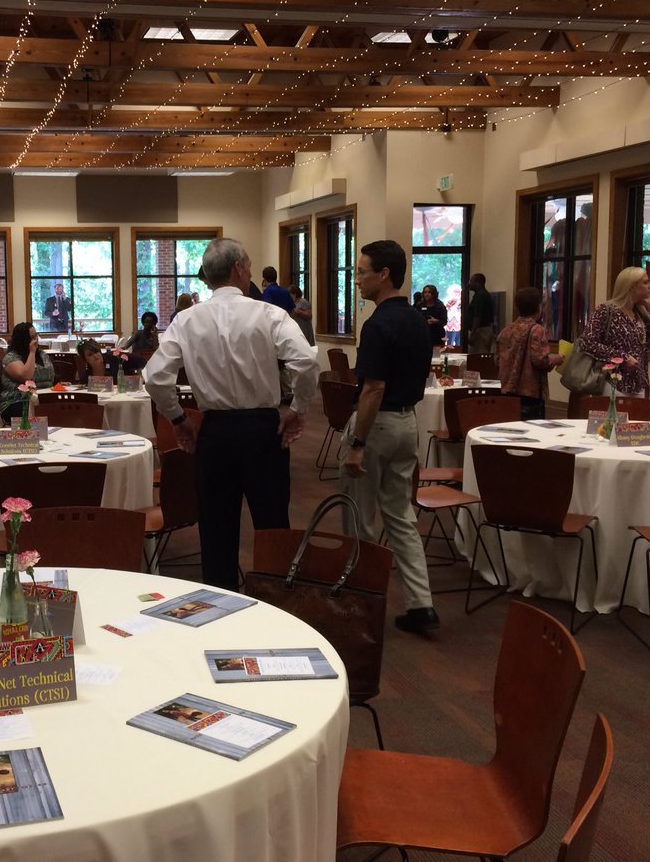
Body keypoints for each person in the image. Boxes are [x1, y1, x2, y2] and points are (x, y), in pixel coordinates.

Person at [145, 238, 318, 591]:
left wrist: (178, 419)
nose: (251, 271)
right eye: (249, 264)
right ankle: (276, 598)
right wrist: (298, 410)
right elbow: (305, 361)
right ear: (239, 268)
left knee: (216, 528)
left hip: (215, 432)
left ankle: (222, 601)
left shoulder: (186, 319)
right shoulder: (268, 314)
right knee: (272, 523)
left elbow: (155, 378)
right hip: (262, 430)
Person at [340, 240, 438, 634]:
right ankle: (421, 604)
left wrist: (357, 445)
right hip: (407, 423)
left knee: (359, 515)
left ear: (384, 275)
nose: (357, 279)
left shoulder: (378, 324)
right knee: (401, 516)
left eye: (362, 271)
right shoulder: (418, 320)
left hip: (376, 425)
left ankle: (362, 601)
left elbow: (373, 389)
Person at [578, 266, 650, 398]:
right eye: (645, 282)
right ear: (631, 287)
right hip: (613, 382)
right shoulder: (606, 310)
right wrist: (623, 357)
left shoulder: (640, 313)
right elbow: (587, 343)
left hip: (638, 384)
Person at [497, 287, 565, 420]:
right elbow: (540, 360)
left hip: (507, 389)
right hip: (530, 392)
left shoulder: (506, 330)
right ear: (539, 307)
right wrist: (556, 359)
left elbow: (497, 359)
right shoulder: (536, 330)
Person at [0, 322, 55, 422]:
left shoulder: (42, 355)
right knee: (49, 411)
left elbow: (50, 376)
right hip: (17, 401)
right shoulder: (10, 358)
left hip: (44, 398)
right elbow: (26, 376)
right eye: (32, 337)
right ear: (23, 340)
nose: (36, 339)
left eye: (36, 335)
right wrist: (32, 352)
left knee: (65, 407)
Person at [78, 339, 148, 380]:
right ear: (85, 359)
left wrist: (140, 376)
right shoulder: (86, 376)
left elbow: (142, 360)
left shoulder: (115, 357)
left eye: (96, 351)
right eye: (90, 355)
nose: (95, 356)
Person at [463, 272, 496, 352]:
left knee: (477, 355)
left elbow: (477, 316)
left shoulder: (480, 296)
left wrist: (473, 333)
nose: (469, 284)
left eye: (471, 281)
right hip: (483, 330)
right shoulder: (484, 294)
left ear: (478, 283)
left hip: (480, 331)